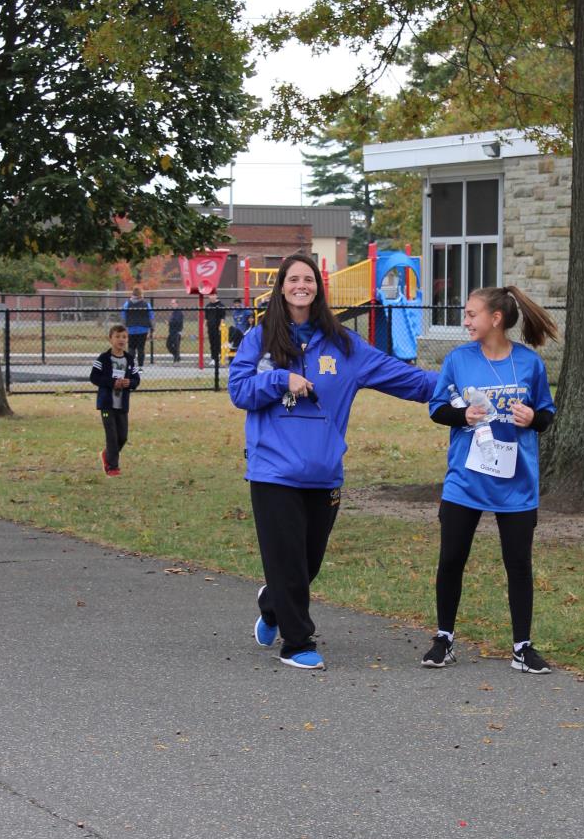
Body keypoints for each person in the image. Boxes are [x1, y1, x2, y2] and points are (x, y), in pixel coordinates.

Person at [228, 252, 437, 670]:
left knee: (307, 564)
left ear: (318, 288)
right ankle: (297, 643)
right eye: (293, 279)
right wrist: (279, 379)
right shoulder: (260, 338)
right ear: (281, 287)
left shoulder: (344, 344)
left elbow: (404, 377)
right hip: (273, 471)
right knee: (288, 561)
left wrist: (456, 382)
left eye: (308, 279)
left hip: (323, 472)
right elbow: (239, 390)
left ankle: (272, 603)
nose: (301, 286)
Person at [421, 286, 558, 674]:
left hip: (516, 481)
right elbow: (437, 408)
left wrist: (532, 418)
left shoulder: (529, 363)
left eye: (471, 314)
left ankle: (522, 648)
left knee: (518, 564)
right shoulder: (458, 359)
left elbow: (546, 414)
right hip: (465, 478)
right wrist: (462, 416)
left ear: (495, 319)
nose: (465, 321)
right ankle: (443, 639)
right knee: (451, 559)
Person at [89, 323, 140, 476]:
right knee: (112, 436)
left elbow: (136, 379)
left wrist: (130, 383)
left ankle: (107, 454)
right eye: (117, 337)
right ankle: (112, 467)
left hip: (122, 405)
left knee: (122, 437)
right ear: (110, 339)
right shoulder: (103, 358)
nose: (121, 340)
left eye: (124, 337)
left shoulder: (130, 360)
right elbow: (94, 377)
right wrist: (112, 382)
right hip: (107, 405)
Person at [121, 292, 154, 367]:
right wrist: (152, 328)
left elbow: (123, 316)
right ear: (141, 295)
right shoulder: (146, 304)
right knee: (141, 348)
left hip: (131, 329)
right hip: (143, 329)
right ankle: (140, 367)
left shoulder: (127, 304)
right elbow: (151, 316)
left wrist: (125, 326)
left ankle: (131, 366)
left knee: (131, 347)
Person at [204, 291, 226, 363]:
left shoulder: (221, 305)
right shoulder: (208, 306)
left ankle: (219, 357)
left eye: (213, 295)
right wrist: (205, 327)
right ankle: (213, 358)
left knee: (218, 343)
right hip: (210, 328)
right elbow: (206, 318)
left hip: (218, 328)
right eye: (210, 295)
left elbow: (222, 318)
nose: (212, 297)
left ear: (216, 296)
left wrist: (220, 326)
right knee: (212, 343)